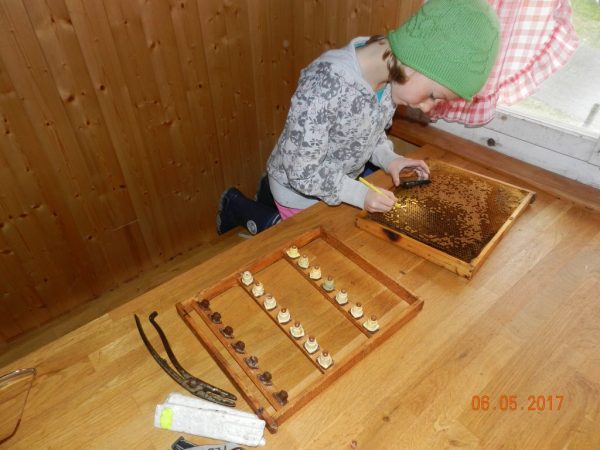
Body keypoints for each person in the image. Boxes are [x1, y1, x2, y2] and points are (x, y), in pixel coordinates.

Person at [217, 0, 500, 234]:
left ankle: (264, 198)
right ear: (415, 63)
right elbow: (301, 170)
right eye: (433, 95)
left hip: (337, 184)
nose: (428, 108)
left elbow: (369, 135)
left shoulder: (391, 78)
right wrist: (359, 195)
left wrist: (391, 159)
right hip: (298, 191)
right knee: (296, 242)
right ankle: (242, 207)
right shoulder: (327, 83)